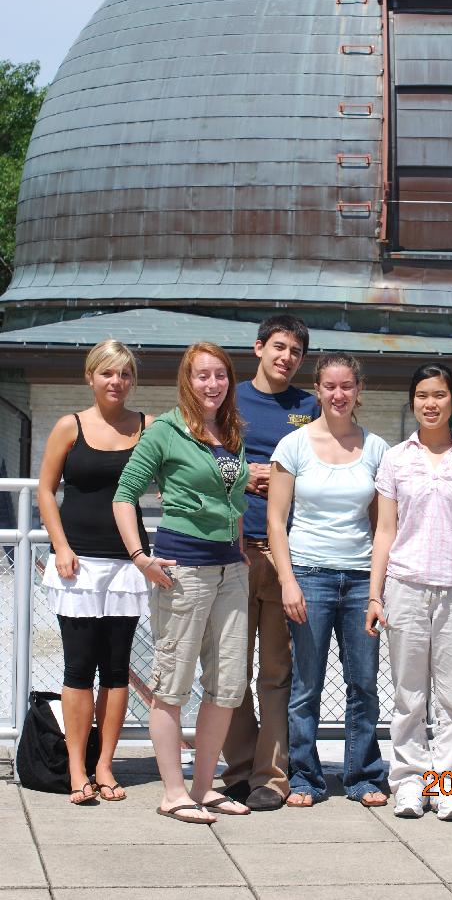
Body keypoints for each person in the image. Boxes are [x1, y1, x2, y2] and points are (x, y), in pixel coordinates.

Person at [113, 342, 250, 825]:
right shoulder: (165, 432)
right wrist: (140, 558)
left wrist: (239, 550)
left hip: (230, 570)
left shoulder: (231, 430)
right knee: (172, 684)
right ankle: (173, 793)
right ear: (186, 381)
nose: (213, 384)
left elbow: (234, 498)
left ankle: (203, 787)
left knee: (228, 684)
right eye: (202, 375)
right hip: (183, 570)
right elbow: (125, 495)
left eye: (220, 375)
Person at [366, 362, 452, 822]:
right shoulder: (396, 458)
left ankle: (450, 785)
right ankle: (409, 781)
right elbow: (385, 530)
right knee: (409, 695)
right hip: (405, 586)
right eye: (422, 395)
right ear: (413, 401)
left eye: (439, 394)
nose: (430, 403)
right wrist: (375, 595)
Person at [267, 352, 388, 806]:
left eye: (347, 386)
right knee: (306, 686)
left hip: (360, 580)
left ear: (359, 390)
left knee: (364, 684)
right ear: (317, 390)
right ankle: (304, 777)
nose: (339, 394)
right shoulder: (293, 445)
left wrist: (376, 590)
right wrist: (288, 580)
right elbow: (276, 521)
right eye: (330, 386)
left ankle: (362, 775)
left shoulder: (376, 448)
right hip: (309, 577)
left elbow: (382, 526)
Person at [38, 340, 154, 805]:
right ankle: (76, 767)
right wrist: (61, 547)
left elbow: (179, 478)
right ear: (90, 376)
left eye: (124, 374)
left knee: (117, 669)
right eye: (107, 373)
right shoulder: (70, 425)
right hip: (78, 565)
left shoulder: (149, 427)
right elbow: (46, 491)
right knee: (79, 667)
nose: (116, 381)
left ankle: (105, 764)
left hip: (128, 563)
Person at [221, 314, 319, 811]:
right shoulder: (229, 398)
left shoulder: (310, 407)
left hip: (286, 556)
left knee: (277, 674)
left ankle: (271, 777)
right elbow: (205, 458)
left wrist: (282, 480)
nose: (286, 358)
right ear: (259, 347)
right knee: (229, 672)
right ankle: (239, 769)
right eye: (279, 347)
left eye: (296, 352)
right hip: (232, 552)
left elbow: (324, 470)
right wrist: (246, 473)